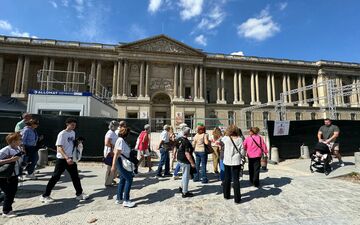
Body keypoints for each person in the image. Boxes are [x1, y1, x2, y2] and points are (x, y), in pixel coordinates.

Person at [40, 118, 89, 203]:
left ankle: (79, 194)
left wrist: (78, 142)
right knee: (55, 177)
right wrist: (66, 158)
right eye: (72, 124)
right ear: (67, 124)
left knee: (75, 177)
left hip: (71, 158)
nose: (74, 126)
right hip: (62, 159)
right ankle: (45, 195)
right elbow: (59, 147)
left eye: (75, 125)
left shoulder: (73, 133)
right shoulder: (62, 134)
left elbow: (71, 144)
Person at [0, 132, 24, 218]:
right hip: (5, 176)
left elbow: (18, 160)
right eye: (19, 139)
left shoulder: (18, 148)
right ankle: (6, 211)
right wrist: (11, 160)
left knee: (11, 192)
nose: (21, 140)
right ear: (13, 141)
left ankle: (7, 208)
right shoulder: (5, 150)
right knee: (9, 193)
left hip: (14, 174)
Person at [111, 127, 136, 208]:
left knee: (123, 179)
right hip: (122, 162)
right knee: (129, 179)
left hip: (121, 162)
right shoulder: (121, 141)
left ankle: (119, 198)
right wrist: (113, 166)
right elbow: (116, 153)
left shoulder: (121, 140)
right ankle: (126, 200)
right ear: (126, 134)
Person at [221, 124, 244, 204]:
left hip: (227, 160)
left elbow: (221, 141)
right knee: (236, 179)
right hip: (236, 160)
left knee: (227, 178)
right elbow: (242, 150)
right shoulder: (240, 139)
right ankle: (237, 198)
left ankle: (226, 195)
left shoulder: (226, 138)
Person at [177, 127, 196, 198]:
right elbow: (187, 154)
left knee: (184, 174)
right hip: (185, 160)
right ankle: (185, 192)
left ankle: (181, 188)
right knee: (186, 176)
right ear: (188, 133)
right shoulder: (186, 141)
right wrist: (192, 163)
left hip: (179, 158)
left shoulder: (179, 139)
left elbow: (177, 148)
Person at [103, 120, 119, 187]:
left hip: (112, 151)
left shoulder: (113, 132)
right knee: (110, 167)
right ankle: (108, 182)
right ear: (113, 126)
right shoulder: (110, 133)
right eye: (116, 126)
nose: (117, 127)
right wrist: (113, 147)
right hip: (110, 152)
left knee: (113, 167)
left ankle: (110, 179)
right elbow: (106, 143)